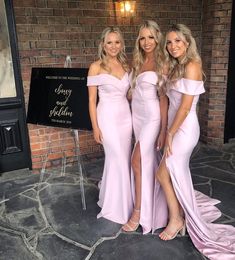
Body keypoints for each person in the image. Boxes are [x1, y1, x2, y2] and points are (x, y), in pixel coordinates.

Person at [153, 24, 235, 259]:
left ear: (187, 42)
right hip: (172, 128)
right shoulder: (175, 66)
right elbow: (167, 101)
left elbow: (187, 107)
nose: (172, 46)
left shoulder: (193, 65)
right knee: (165, 173)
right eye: (168, 42)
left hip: (185, 130)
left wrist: (169, 133)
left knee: (163, 173)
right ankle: (177, 215)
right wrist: (164, 130)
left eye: (177, 41)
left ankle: (176, 219)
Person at [122, 20, 168, 234]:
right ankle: (154, 204)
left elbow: (164, 99)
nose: (146, 42)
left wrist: (164, 130)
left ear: (157, 37)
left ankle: (139, 212)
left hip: (152, 118)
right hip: (137, 117)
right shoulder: (138, 60)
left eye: (150, 37)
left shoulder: (163, 62)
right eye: (142, 37)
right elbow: (132, 91)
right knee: (145, 162)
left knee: (136, 160)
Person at [87, 27, 133, 224]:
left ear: (121, 44)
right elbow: (91, 101)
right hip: (106, 117)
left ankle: (125, 199)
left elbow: (130, 94)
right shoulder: (95, 67)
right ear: (102, 45)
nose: (113, 46)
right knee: (117, 157)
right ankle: (117, 207)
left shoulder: (127, 65)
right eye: (109, 42)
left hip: (125, 117)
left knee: (125, 157)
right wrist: (95, 128)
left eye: (117, 42)